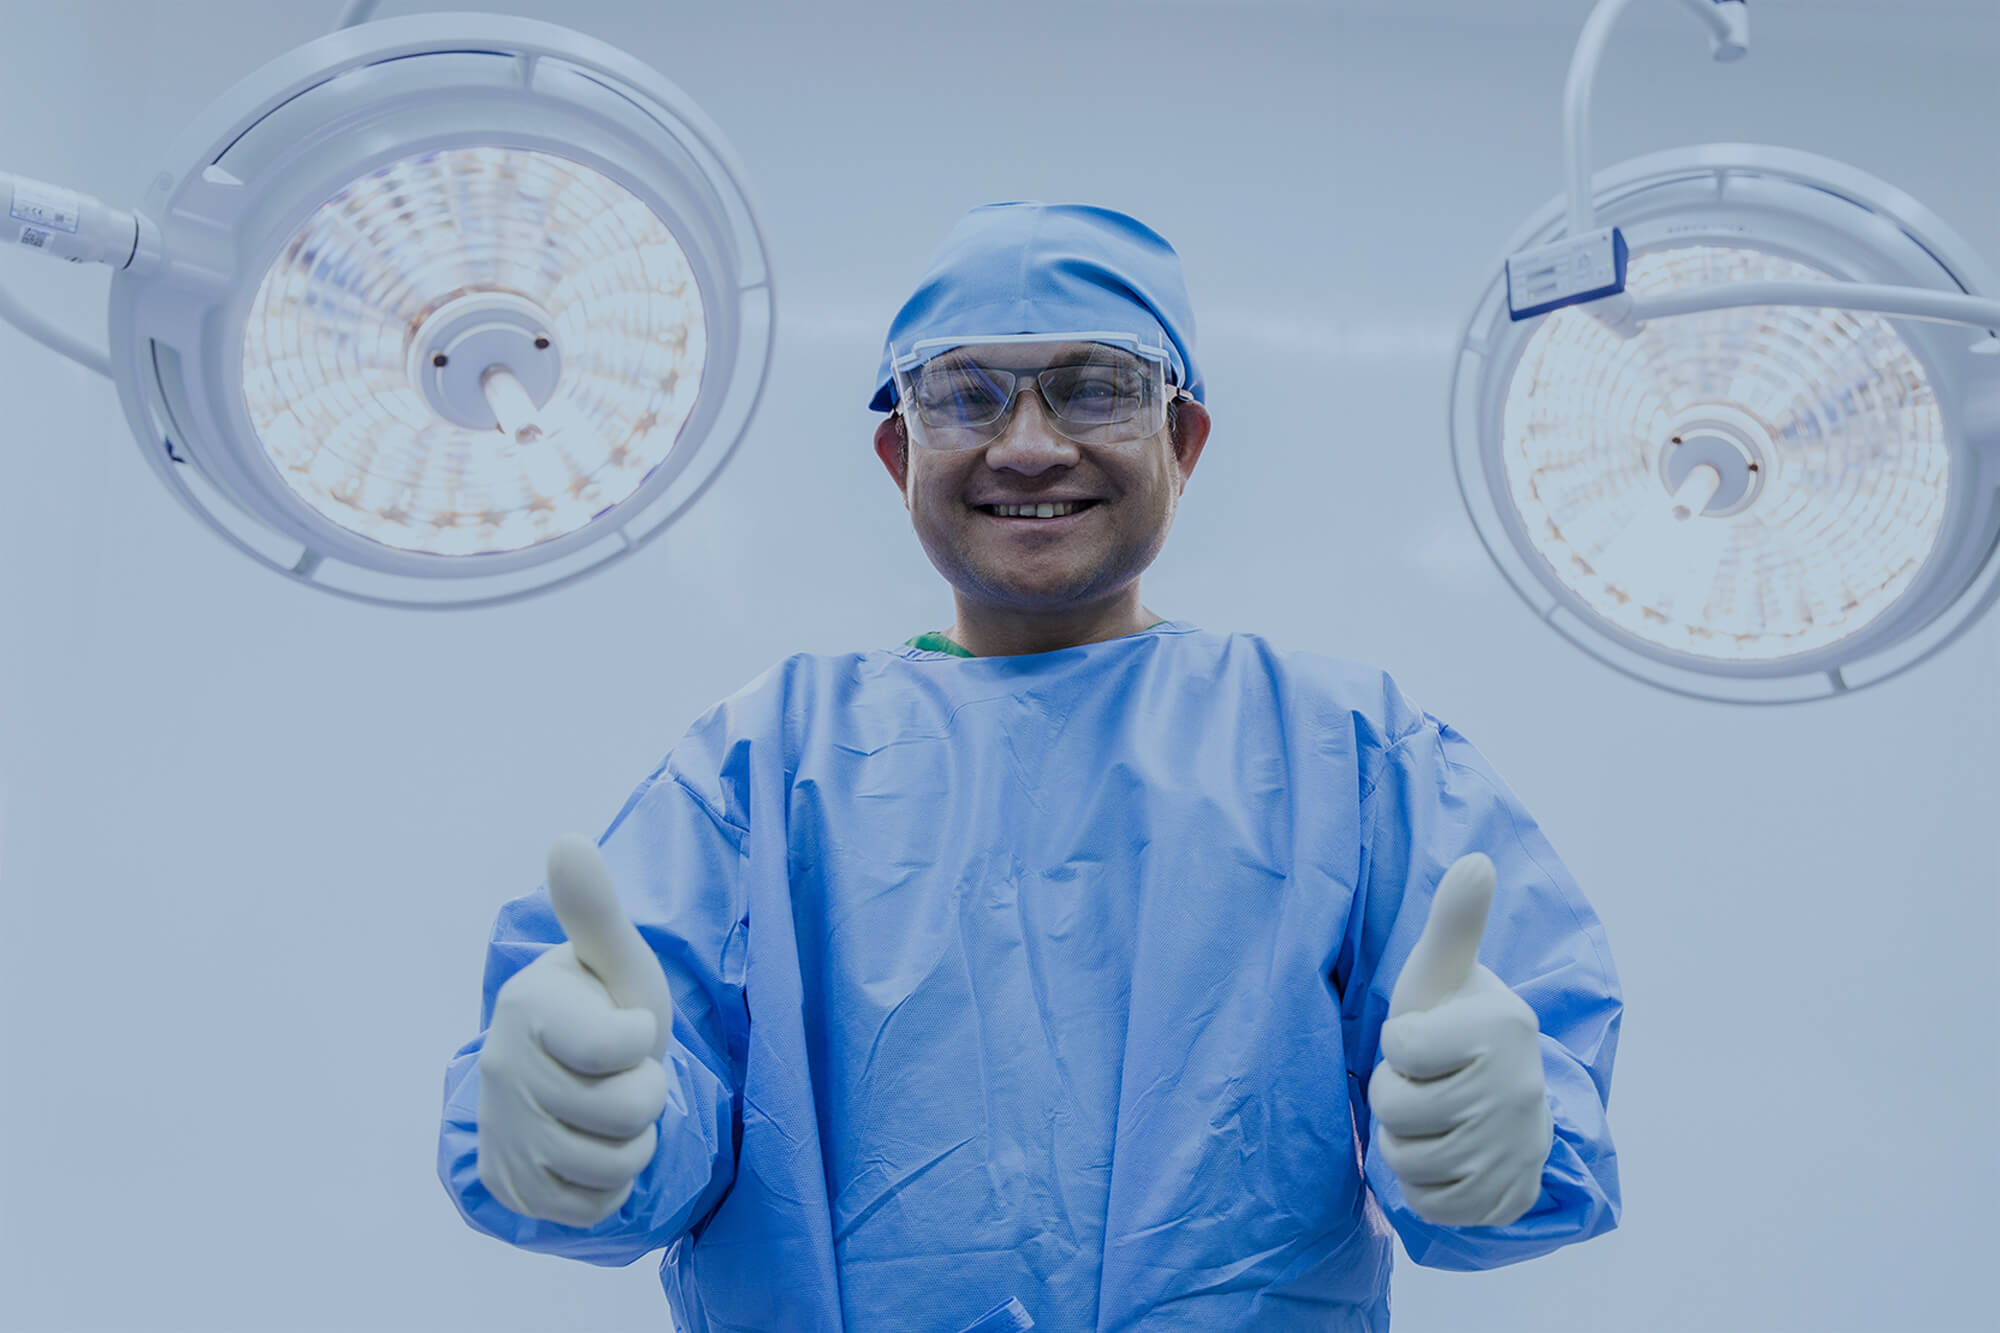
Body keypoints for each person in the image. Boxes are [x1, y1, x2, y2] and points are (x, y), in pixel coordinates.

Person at [438, 202, 1623, 1332]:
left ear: (1183, 438)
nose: (1030, 444)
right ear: (898, 449)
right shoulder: (760, 765)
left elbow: (1513, 1104)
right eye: (965, 396)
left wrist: (1492, 1142)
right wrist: (583, 1116)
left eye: (1095, 387)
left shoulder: (1343, 754)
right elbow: (637, 1102)